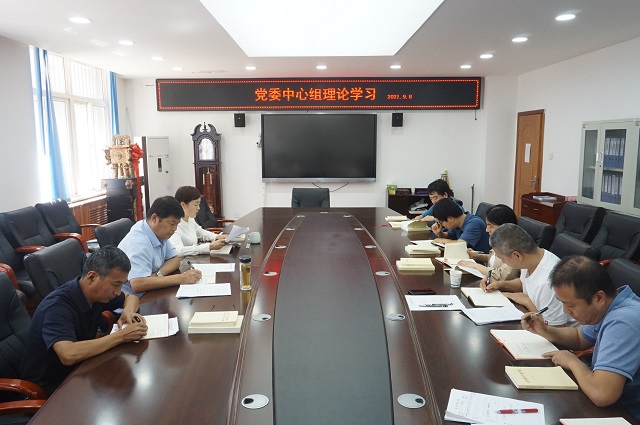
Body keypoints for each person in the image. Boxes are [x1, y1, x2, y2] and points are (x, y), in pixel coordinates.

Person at [521, 256, 640, 420]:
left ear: (599, 298)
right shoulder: (611, 304)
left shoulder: (624, 321)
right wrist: (544, 330)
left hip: (628, 414)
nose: (565, 311)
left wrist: (572, 361)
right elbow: (579, 338)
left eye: (571, 305)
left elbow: (602, 394)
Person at [19, 246, 148, 395]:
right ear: (92, 277)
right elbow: (68, 354)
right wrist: (122, 336)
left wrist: (128, 312)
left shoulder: (97, 293)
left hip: (79, 369)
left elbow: (130, 297)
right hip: (49, 387)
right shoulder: (56, 307)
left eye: (121, 285)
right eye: (116, 284)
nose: (118, 292)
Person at [482, 223, 574, 326]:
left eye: (502, 258)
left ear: (517, 255)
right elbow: (524, 283)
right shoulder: (533, 257)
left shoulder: (547, 282)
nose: (503, 262)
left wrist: (526, 301)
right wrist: (499, 284)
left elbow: (553, 328)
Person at [118, 196, 202, 296]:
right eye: (172, 224)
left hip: (151, 291)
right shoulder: (139, 243)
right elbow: (137, 284)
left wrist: (158, 275)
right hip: (134, 299)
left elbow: (175, 259)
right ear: (154, 218)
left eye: (177, 224)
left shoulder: (155, 231)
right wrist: (181, 278)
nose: (175, 229)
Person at [459, 204, 519, 280]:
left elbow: (501, 275)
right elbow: (497, 261)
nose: (487, 230)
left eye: (490, 226)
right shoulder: (500, 241)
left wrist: (475, 266)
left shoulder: (515, 248)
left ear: (504, 226)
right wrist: (477, 256)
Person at [169, 186, 227, 256]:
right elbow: (178, 251)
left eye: (199, 204)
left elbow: (201, 233)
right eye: (196, 205)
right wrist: (209, 247)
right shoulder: (174, 225)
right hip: (184, 261)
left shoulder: (190, 219)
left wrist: (216, 237)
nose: (198, 208)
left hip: (194, 258)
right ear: (183, 205)